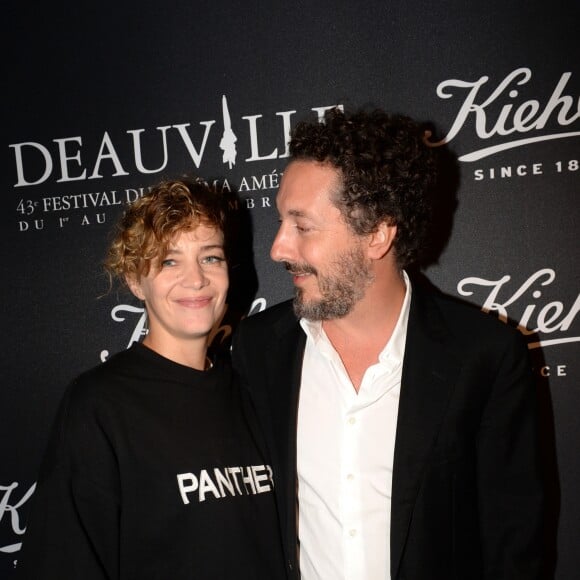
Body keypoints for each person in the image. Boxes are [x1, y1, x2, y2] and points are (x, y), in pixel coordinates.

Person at [232, 108, 544, 579]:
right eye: (281, 222)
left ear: (378, 233)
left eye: (303, 226)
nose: (278, 248)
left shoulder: (484, 356)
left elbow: (514, 546)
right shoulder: (258, 349)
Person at [16, 179, 286, 579]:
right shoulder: (99, 405)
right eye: (169, 261)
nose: (195, 279)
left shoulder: (254, 391)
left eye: (210, 258)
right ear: (133, 280)